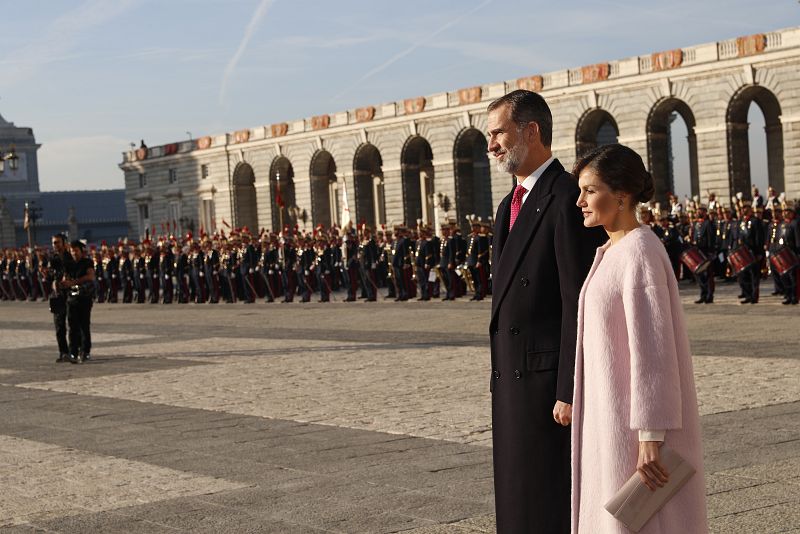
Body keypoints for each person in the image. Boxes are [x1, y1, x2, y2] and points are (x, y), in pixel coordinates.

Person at [486, 89, 606, 533]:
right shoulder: (507, 205)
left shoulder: (566, 198)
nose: (491, 145)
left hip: (548, 386)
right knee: (519, 503)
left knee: (545, 502)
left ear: (531, 130)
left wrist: (570, 388)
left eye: (498, 132)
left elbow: (579, 299)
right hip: (513, 376)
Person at [572, 144, 707, 534]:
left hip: (632, 430)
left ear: (622, 194)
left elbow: (654, 350)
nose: (579, 201)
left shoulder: (639, 251)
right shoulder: (613, 250)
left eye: (590, 190)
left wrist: (651, 435)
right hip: (608, 416)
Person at [62, 240, 95, 364]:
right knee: (72, 327)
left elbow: (90, 276)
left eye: (76, 250)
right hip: (72, 298)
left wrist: (73, 282)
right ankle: (73, 352)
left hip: (85, 298)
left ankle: (85, 351)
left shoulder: (87, 262)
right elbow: (65, 277)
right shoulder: (69, 264)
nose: (74, 253)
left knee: (84, 326)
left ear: (81, 251)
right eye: (72, 251)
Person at [47, 233, 74, 362]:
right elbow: (49, 276)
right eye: (53, 243)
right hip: (57, 295)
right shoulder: (52, 258)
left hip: (69, 293)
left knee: (73, 324)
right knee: (59, 325)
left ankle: (74, 350)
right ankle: (63, 352)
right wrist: (50, 279)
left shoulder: (70, 257)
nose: (55, 245)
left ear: (64, 243)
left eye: (57, 242)